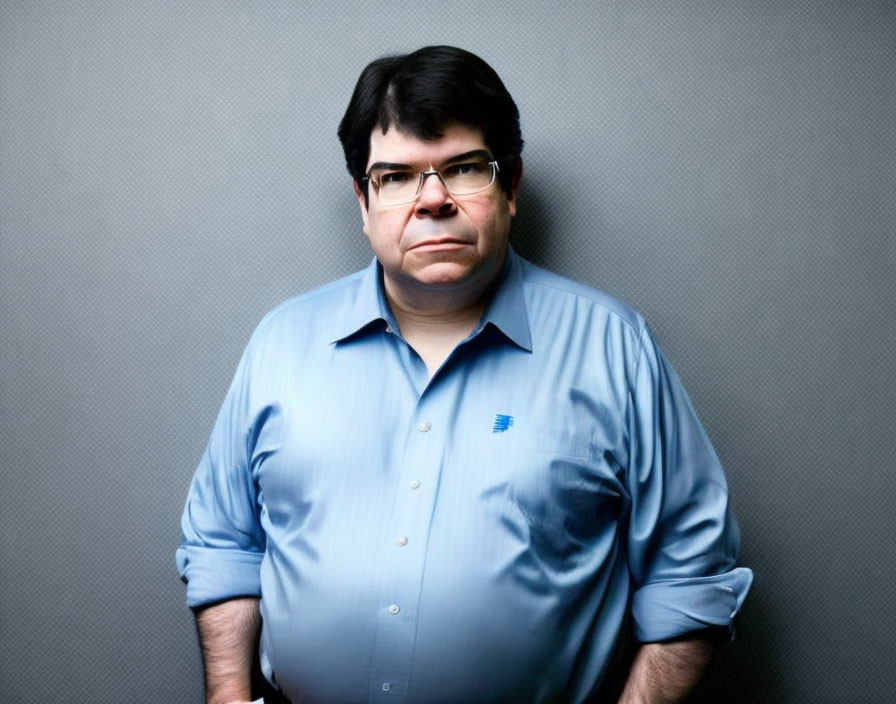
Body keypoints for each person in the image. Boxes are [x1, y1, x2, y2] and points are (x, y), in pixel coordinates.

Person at [176, 45, 752, 704]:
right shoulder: (282, 343)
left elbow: (693, 575)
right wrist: (225, 696)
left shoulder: (613, 348)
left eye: (464, 169)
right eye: (395, 177)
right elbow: (222, 541)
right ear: (363, 202)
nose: (432, 201)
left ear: (510, 188)